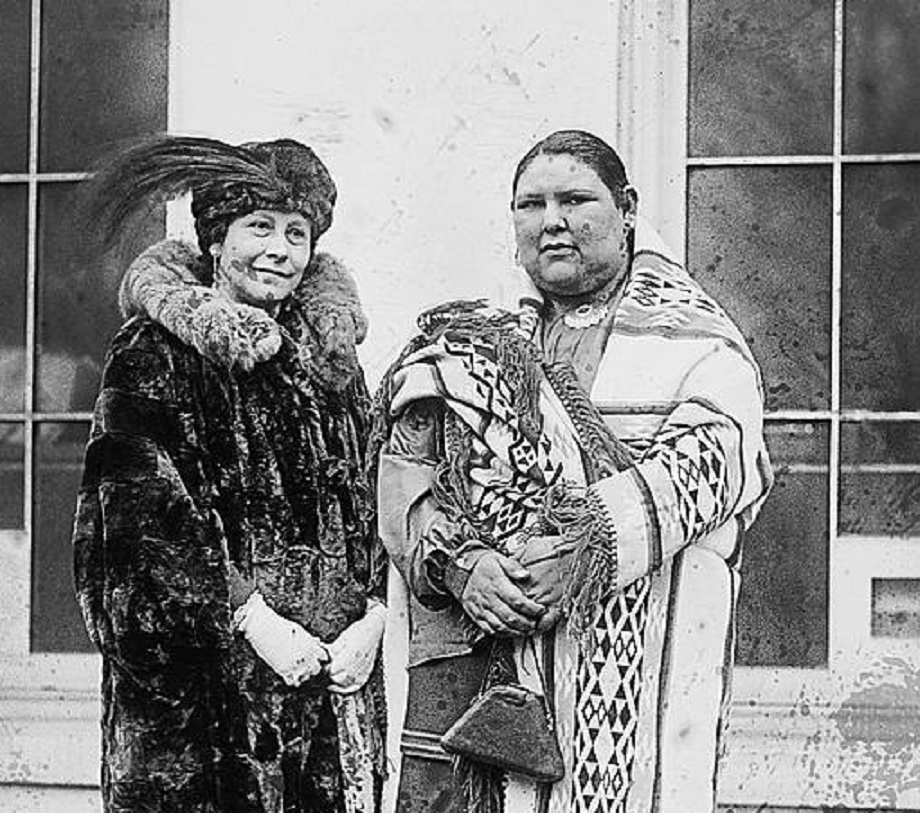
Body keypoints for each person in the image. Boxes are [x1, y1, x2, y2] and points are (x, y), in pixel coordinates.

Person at [373, 130, 773, 813]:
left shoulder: (694, 342)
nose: (551, 220)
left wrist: (588, 543)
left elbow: (715, 458)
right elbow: (404, 475)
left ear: (625, 210)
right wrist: (461, 566)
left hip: (627, 670)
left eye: (575, 199)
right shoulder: (471, 346)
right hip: (476, 666)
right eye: (531, 204)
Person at [72, 135, 387, 813]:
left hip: (322, 699)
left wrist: (374, 615)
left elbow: (372, 492)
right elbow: (135, 521)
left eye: (296, 232)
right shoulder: (154, 351)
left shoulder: (332, 366)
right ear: (216, 240)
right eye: (259, 227)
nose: (279, 249)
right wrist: (249, 617)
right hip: (204, 712)